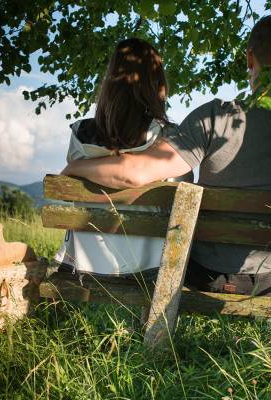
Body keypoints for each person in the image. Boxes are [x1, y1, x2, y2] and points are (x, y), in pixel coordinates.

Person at [61, 14, 271, 295]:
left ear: (250, 59)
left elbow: (136, 174)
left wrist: (73, 168)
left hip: (204, 274)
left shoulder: (214, 118)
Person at [55, 37, 190, 277]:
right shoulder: (168, 138)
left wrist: (76, 166)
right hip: (150, 268)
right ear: (157, 84)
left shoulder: (79, 137)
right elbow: (185, 197)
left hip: (85, 264)